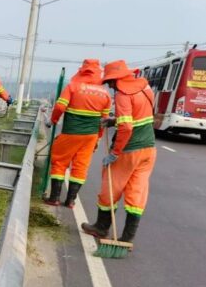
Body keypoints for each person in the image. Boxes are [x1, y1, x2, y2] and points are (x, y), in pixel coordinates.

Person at [82, 60, 156, 244]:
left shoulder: (123, 95)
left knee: (110, 188)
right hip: (149, 150)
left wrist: (115, 152)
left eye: (110, 83)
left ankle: (101, 228)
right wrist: (113, 121)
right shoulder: (146, 89)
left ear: (116, 80)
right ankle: (127, 238)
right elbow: (140, 116)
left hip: (129, 150)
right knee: (136, 192)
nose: (111, 87)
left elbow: (127, 127)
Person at [43, 59, 112, 208]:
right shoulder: (105, 94)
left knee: (60, 163)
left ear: (82, 71)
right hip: (91, 136)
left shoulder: (73, 86)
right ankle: (71, 200)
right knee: (81, 166)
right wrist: (98, 139)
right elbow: (104, 120)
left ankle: (54, 197)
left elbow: (60, 107)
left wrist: (53, 120)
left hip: (71, 132)